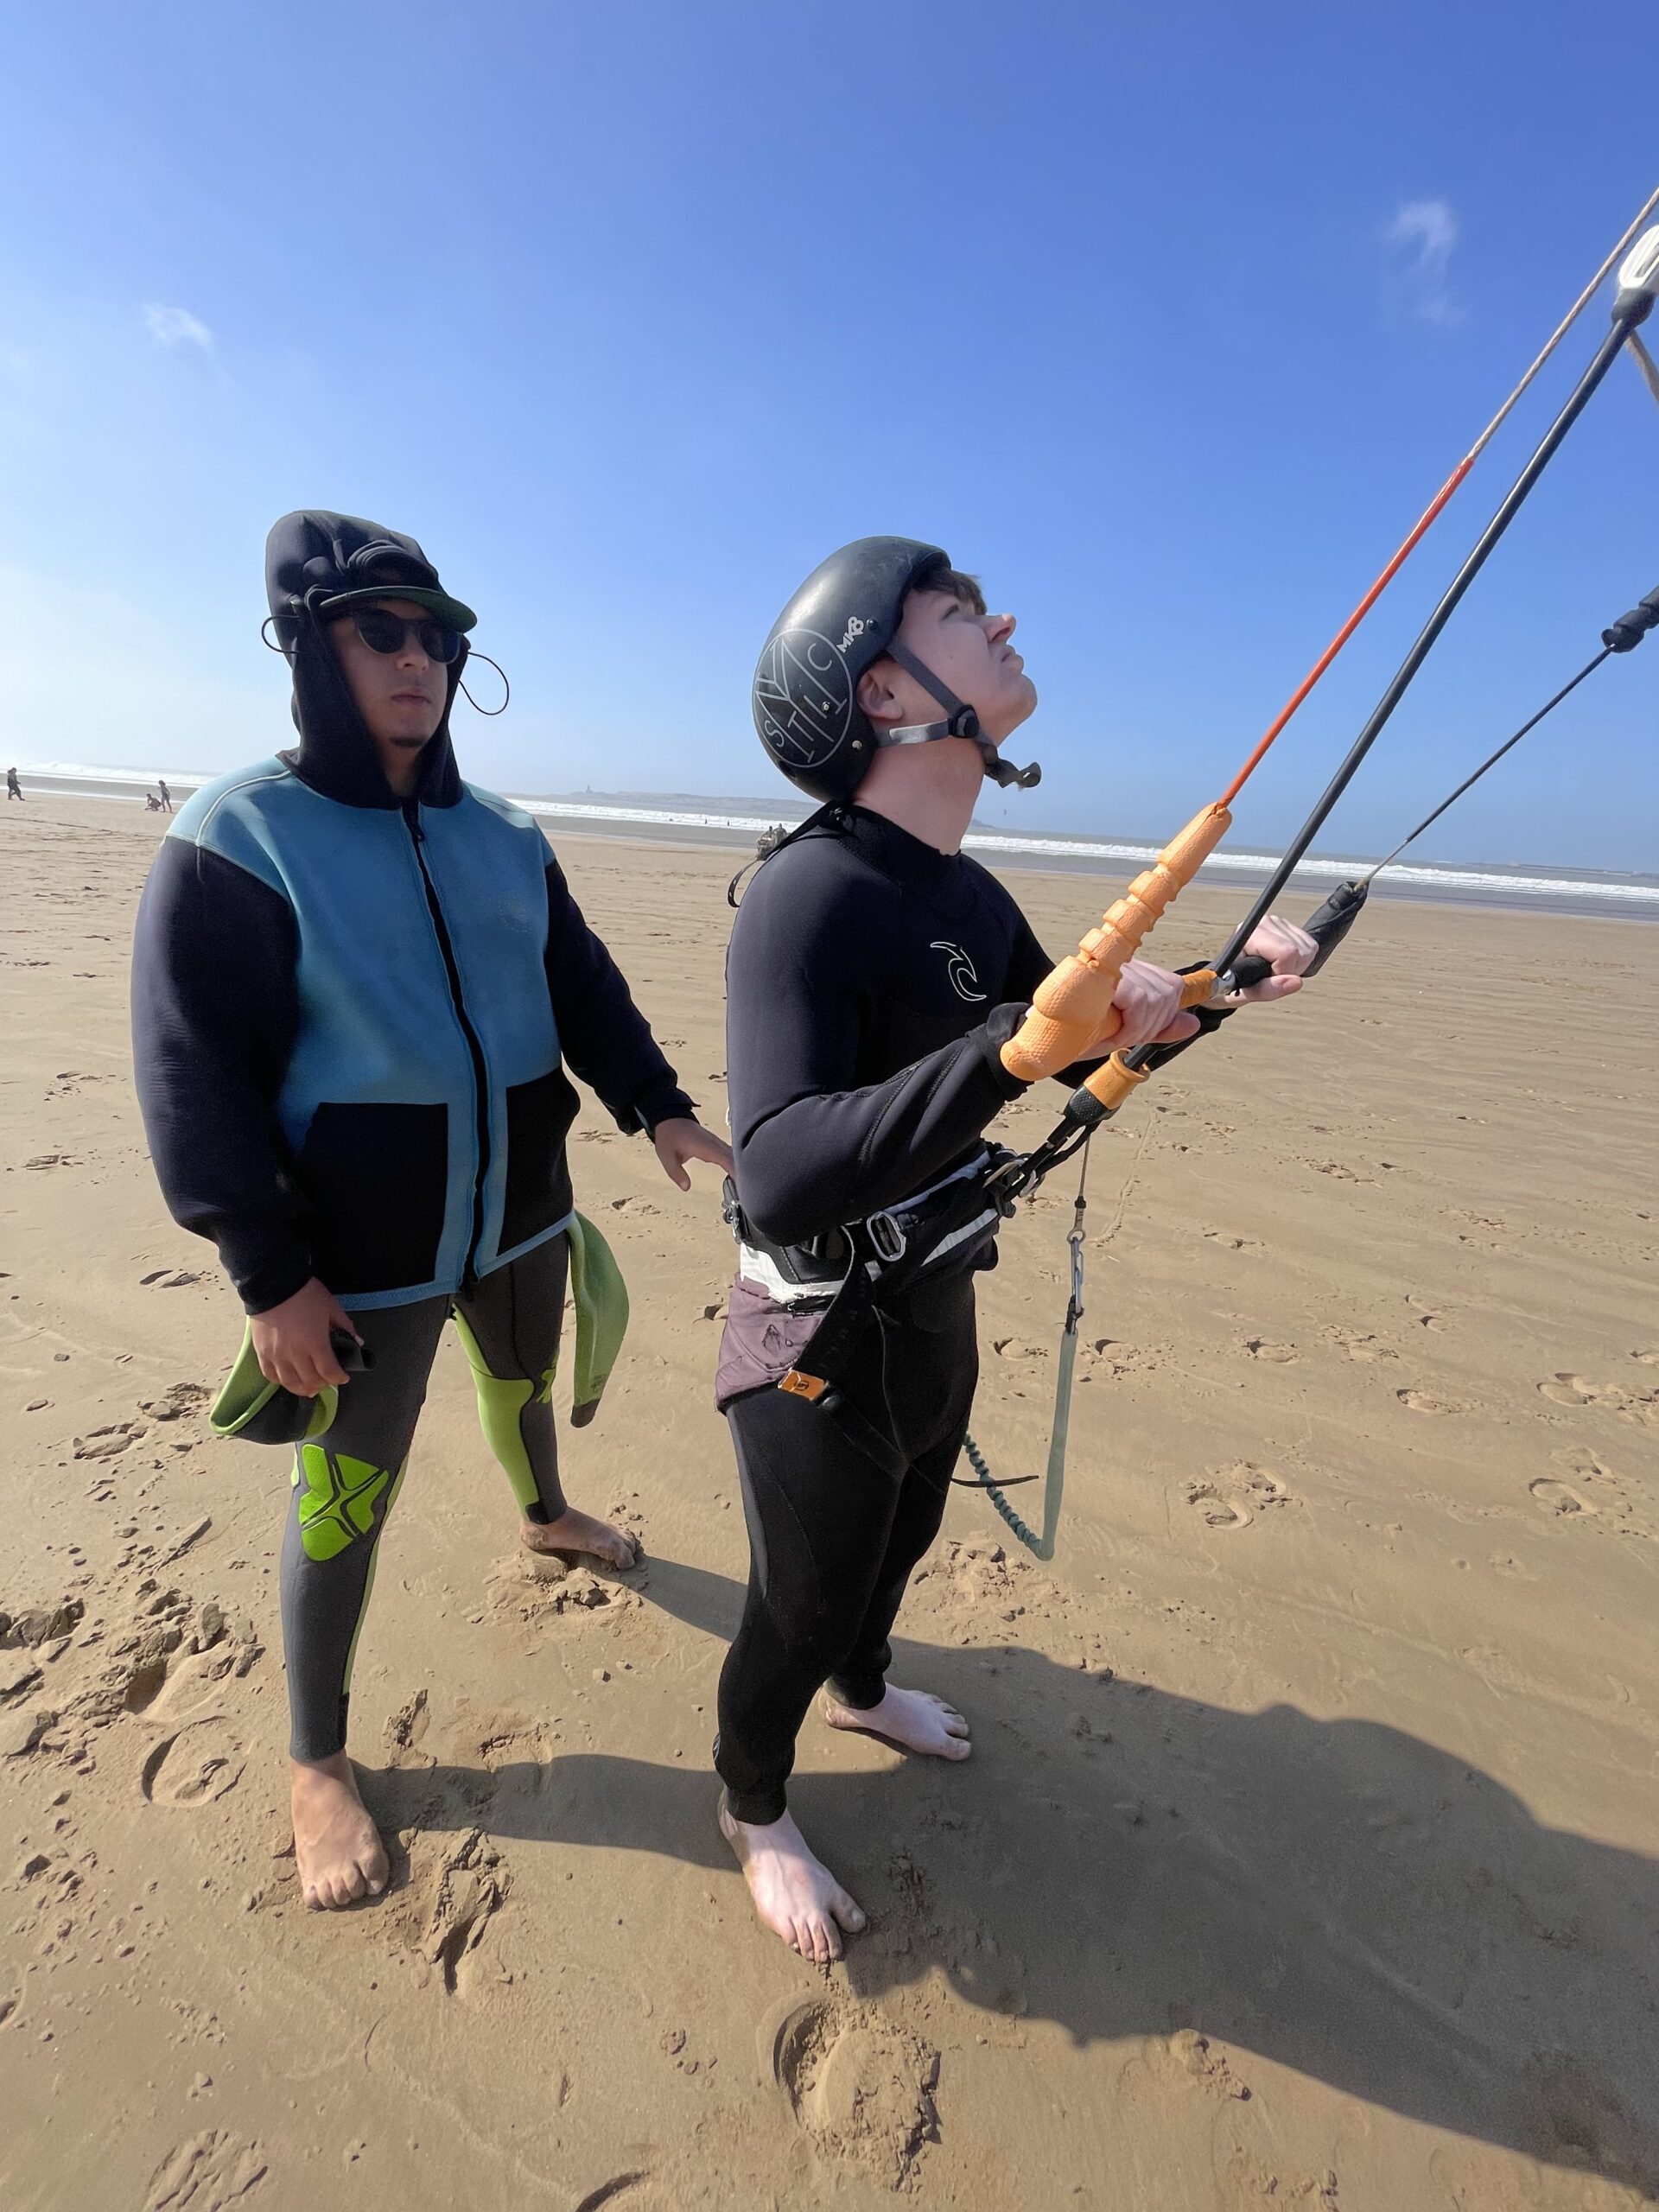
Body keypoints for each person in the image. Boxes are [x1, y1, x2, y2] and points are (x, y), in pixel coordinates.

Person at [714, 538, 1316, 1962]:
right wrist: (1012, 1046)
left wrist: (1235, 983)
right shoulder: (809, 895)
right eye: (958, 612)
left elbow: (1081, 1046)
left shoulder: (974, 905)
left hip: (934, 1303)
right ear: (884, 686)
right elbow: (786, 1168)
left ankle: (867, 1688)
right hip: (810, 1337)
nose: (1003, 619)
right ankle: (753, 1805)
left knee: (909, 1531)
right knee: (797, 1603)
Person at [131, 510, 731, 1912]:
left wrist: (656, 1103)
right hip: (363, 1252)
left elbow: (578, 983)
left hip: (522, 1203)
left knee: (523, 1383)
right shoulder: (240, 835)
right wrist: (267, 1274)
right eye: (381, 632)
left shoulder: (506, 833)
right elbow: (192, 1069)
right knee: (348, 1493)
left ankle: (547, 1516)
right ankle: (316, 1758)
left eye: (441, 637)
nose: (420, 660)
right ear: (311, 647)